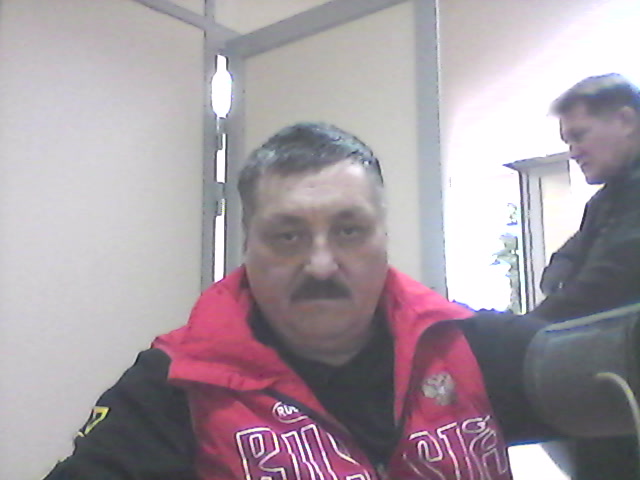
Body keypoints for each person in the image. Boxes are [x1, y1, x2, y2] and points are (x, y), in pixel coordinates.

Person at [44, 122, 555, 480]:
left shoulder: (469, 346)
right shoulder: (174, 385)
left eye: (349, 231)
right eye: (288, 236)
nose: (321, 265)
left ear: (383, 238)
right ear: (247, 246)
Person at [533, 73, 640, 480]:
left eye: (580, 136)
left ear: (625, 121)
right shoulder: (609, 198)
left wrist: (519, 333)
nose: (574, 151)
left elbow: (605, 285)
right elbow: (571, 256)